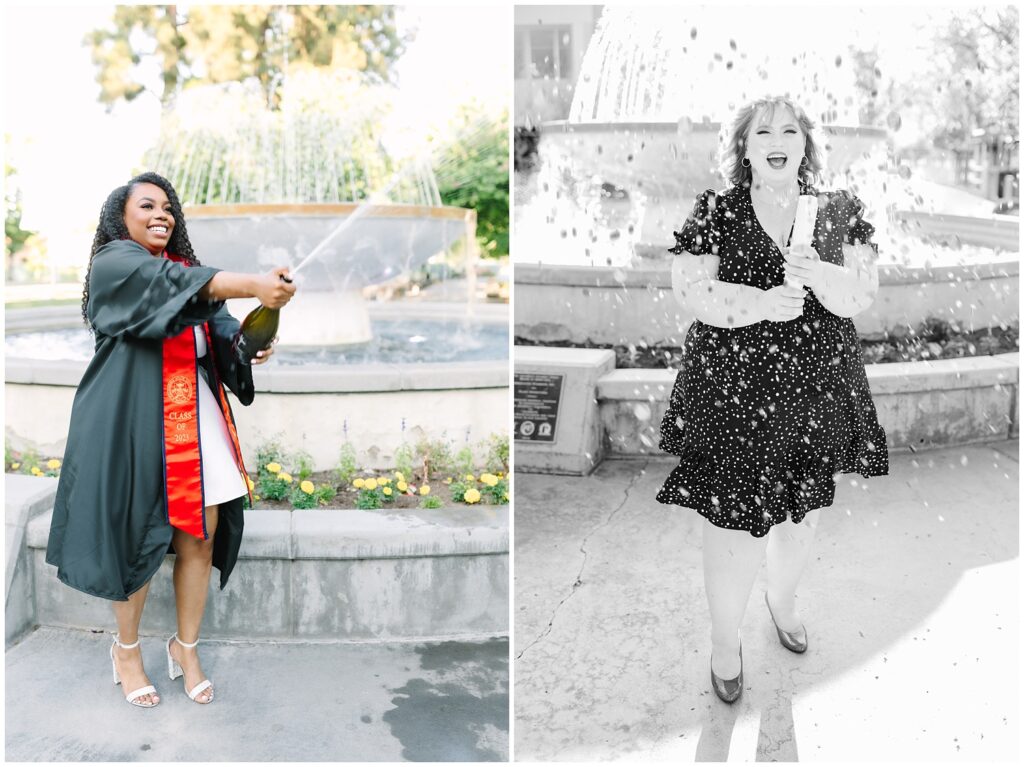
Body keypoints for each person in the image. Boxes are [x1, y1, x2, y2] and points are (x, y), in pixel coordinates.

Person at [656, 96, 888, 703]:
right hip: (735, 390)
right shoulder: (717, 208)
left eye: (790, 129)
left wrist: (819, 276)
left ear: (805, 145)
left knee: (803, 515)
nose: (778, 138)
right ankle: (724, 641)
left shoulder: (839, 211)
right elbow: (689, 287)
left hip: (816, 386)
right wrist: (759, 303)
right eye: (764, 131)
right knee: (732, 523)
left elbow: (862, 293)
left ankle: (782, 602)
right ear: (746, 147)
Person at [46, 172, 297, 707]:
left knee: (199, 539)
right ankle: (128, 650)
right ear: (122, 217)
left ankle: (186, 648)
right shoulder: (116, 263)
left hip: (195, 423)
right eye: (147, 205)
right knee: (138, 539)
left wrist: (258, 327)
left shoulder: (191, 274)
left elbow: (225, 332)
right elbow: (172, 289)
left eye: (168, 208)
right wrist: (251, 281)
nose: (162, 214)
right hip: (134, 423)